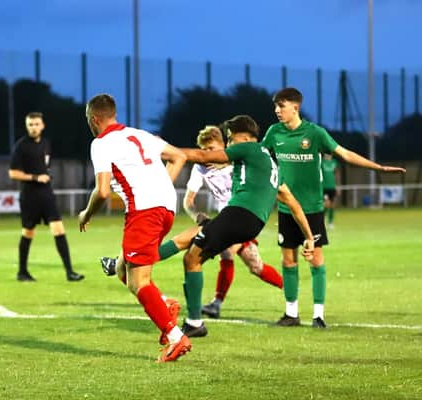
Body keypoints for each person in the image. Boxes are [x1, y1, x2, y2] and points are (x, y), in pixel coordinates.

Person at [100, 125, 284, 321]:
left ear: (223, 146)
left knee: (253, 265)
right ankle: (208, 307)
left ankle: (287, 291)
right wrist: (197, 214)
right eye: (205, 149)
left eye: (212, 149)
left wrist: (161, 149)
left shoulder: (237, 158)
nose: (208, 153)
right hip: (226, 218)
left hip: (239, 216)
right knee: (187, 242)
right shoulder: (201, 168)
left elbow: (266, 182)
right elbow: (188, 200)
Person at [262, 87, 406, 328]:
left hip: (312, 208)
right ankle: (291, 313)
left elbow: (345, 154)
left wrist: (378, 168)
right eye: (276, 106)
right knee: (288, 260)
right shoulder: (273, 133)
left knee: (316, 259)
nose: (277, 111)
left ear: (295, 107)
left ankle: (318, 315)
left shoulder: (315, 133)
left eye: (282, 106)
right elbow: (259, 158)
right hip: (287, 208)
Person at [177, 115, 316, 337]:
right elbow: (292, 202)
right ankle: (213, 305)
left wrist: (162, 149)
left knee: (202, 253)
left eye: (228, 141)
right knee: (224, 256)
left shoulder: (245, 154)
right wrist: (310, 236)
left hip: (238, 216)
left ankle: (132, 264)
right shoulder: (258, 162)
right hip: (238, 219)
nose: (229, 144)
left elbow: (207, 157)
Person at [78, 93, 191, 363]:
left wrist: (85, 213)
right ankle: (164, 305)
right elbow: (179, 157)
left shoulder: (101, 143)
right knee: (121, 268)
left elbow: (103, 191)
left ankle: (176, 338)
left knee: (138, 282)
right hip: (166, 208)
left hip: (145, 211)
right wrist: (161, 186)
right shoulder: (140, 135)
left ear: (94, 119)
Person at [9, 112, 84, 282]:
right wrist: (35, 177)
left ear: (42, 126)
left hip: (46, 194)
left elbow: (45, 166)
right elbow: (13, 173)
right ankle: (22, 272)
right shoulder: (21, 146)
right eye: (30, 125)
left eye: (36, 124)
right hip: (29, 196)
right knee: (28, 232)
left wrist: (45, 176)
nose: (33, 127)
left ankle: (70, 272)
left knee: (59, 229)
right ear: (27, 126)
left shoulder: (46, 143)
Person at [321, 153, 340, 229]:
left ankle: (330, 222)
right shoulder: (321, 162)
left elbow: (337, 174)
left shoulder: (334, 162)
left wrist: (338, 186)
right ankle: (322, 219)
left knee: (332, 205)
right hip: (324, 187)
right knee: (326, 204)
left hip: (332, 187)